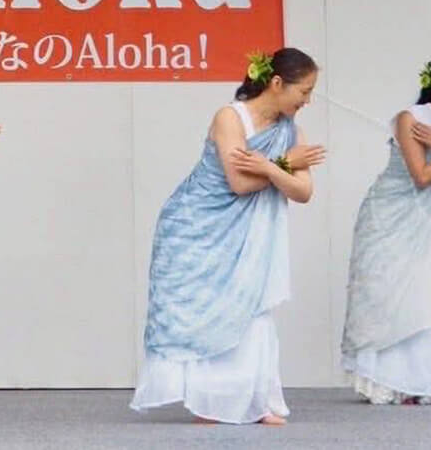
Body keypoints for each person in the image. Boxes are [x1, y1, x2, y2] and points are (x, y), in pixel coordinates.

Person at [131, 48, 325, 426]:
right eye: (304, 91)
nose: (308, 101)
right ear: (276, 83)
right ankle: (211, 403)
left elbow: (303, 191)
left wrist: (270, 166)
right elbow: (238, 182)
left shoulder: (291, 131)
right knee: (207, 310)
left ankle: (256, 401)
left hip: (250, 234)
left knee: (250, 308)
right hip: (197, 226)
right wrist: (284, 167)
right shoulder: (230, 117)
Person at [340, 57, 431, 405]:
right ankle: (387, 381)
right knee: (388, 295)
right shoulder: (410, 119)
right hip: (388, 217)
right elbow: (419, 176)